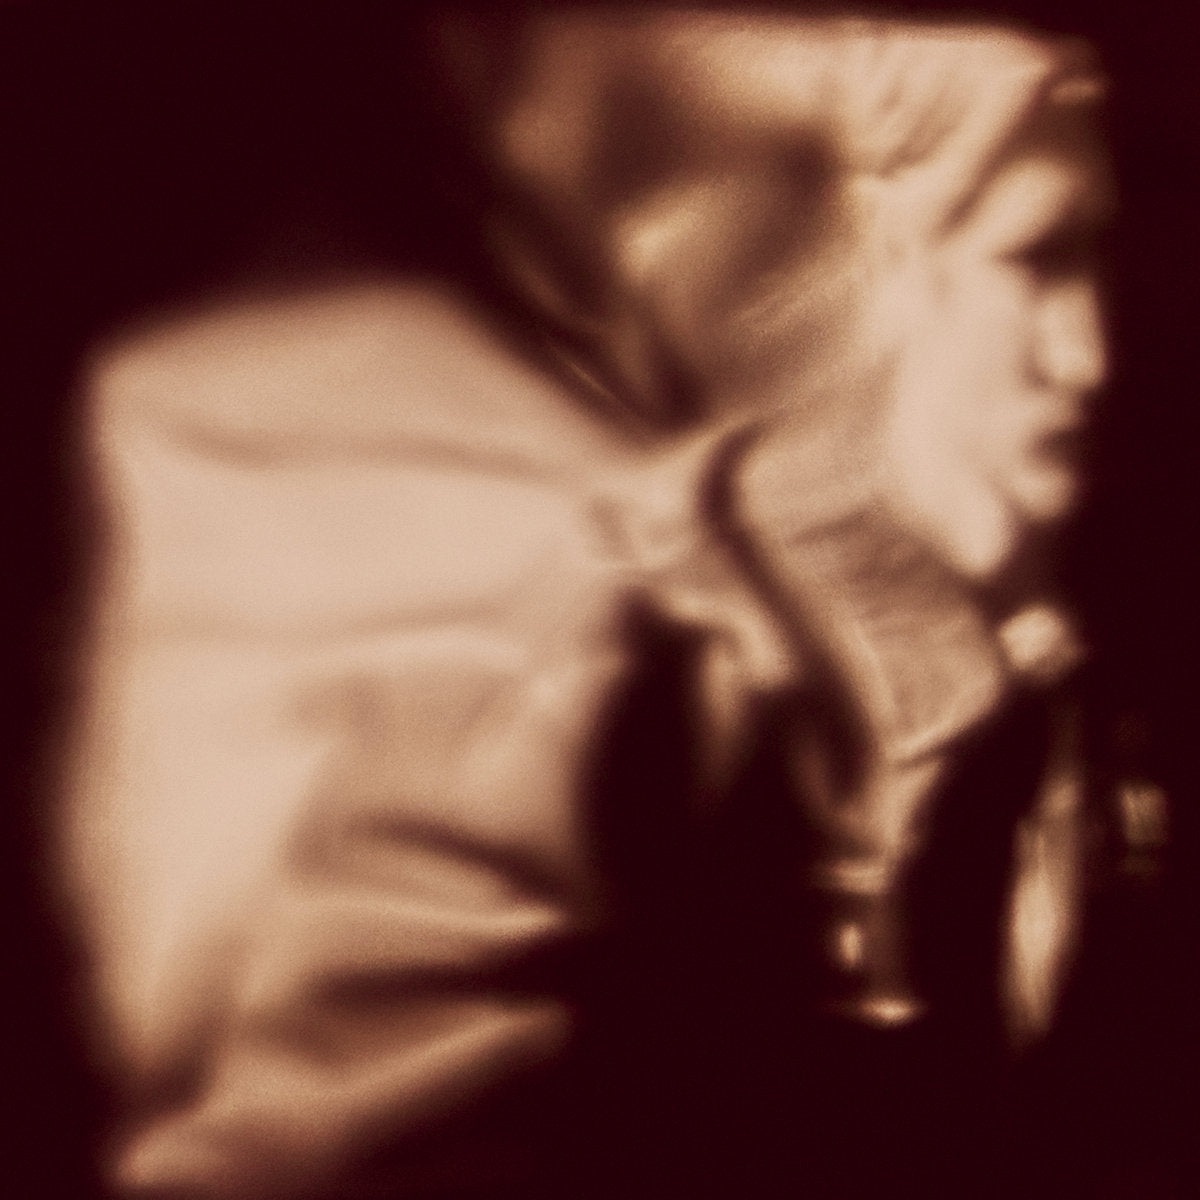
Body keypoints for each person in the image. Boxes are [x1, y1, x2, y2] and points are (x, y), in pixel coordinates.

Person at [57, 10, 1113, 1198]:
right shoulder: (548, 641)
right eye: (1033, 262)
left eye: (1106, 263)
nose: (1089, 356)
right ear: (825, 276)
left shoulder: (981, 677)